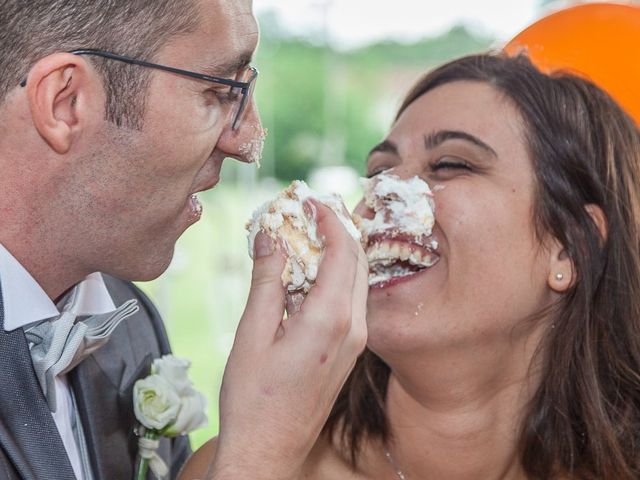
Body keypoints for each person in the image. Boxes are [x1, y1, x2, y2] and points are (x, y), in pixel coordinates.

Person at [184, 52, 640, 479]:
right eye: (379, 170)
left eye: (448, 164)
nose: (383, 192)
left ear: (568, 245)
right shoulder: (239, 463)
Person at [0, 1, 368, 479]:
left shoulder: (131, 325)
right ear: (65, 102)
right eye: (219, 91)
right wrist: (259, 452)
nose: (249, 139)